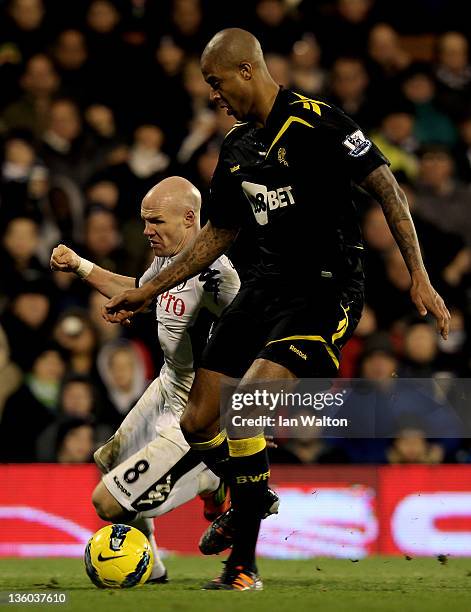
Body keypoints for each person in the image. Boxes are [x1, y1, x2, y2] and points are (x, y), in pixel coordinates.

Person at [104, 29, 450, 591]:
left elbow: (389, 189)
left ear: (246, 71)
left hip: (325, 291)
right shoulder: (238, 146)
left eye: (216, 83)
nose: (214, 96)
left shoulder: (321, 123)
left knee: (245, 410)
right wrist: (149, 290)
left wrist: (419, 275)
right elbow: (219, 230)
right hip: (265, 287)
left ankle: (242, 566)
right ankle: (252, 494)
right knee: (197, 422)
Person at [50, 176, 246, 583]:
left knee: (108, 503)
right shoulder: (167, 259)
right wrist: (80, 266)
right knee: (109, 460)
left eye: (155, 221)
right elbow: (140, 291)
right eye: (144, 221)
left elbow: (257, 339)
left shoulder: (218, 278)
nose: (146, 231)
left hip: (201, 410)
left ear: (190, 218)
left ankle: (212, 475)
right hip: (167, 384)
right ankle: (152, 570)